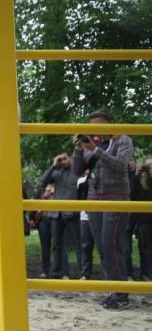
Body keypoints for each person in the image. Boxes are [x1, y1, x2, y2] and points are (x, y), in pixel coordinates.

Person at [71, 108, 134, 310]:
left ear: (111, 123)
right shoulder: (93, 143)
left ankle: (121, 293)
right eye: (92, 127)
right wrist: (79, 149)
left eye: (100, 125)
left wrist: (95, 150)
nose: (96, 130)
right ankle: (112, 289)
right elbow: (76, 171)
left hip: (116, 197)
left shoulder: (123, 140)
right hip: (94, 198)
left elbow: (120, 165)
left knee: (110, 244)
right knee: (101, 246)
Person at [39, 152, 82, 279]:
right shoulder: (56, 173)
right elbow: (43, 181)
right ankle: (57, 272)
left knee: (79, 244)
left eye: (64, 158)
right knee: (56, 245)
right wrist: (53, 165)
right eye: (60, 159)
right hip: (56, 214)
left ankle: (83, 273)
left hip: (72, 213)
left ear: (71, 158)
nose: (62, 161)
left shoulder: (77, 172)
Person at [129, 156, 152, 281]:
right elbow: (131, 194)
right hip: (144, 220)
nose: (150, 169)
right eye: (148, 166)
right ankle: (146, 273)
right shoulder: (139, 180)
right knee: (145, 248)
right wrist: (139, 176)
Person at [31, 184, 55, 278]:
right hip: (43, 219)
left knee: (58, 246)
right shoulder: (41, 189)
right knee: (45, 247)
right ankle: (45, 271)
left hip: (56, 219)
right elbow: (35, 203)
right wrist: (32, 217)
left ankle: (61, 272)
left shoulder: (60, 187)